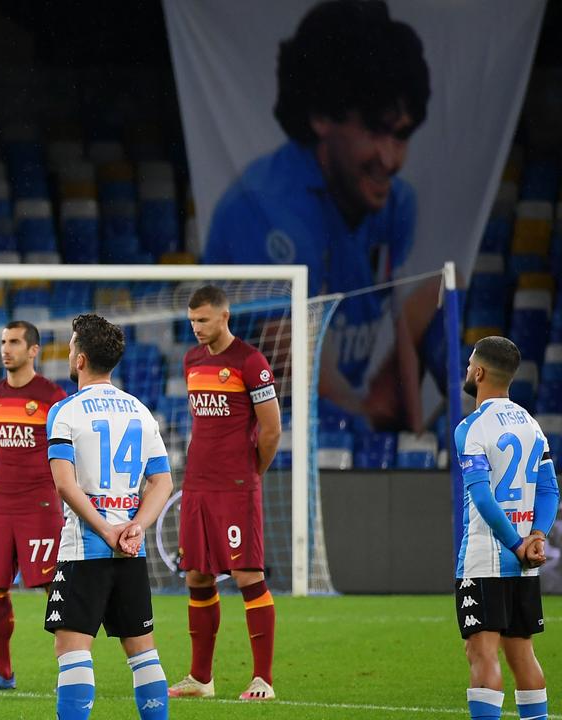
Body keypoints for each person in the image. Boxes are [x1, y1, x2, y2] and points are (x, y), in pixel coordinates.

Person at [204, 0, 440, 434]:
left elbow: (401, 345)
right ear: (320, 117)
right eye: (374, 129)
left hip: (338, 423)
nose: (390, 160)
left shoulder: (397, 206)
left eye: (402, 135)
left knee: (440, 293)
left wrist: (417, 437)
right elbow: (306, 383)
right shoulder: (261, 210)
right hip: (252, 432)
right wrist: (376, 425)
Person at [43, 313, 175, 720]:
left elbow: (65, 484)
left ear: (80, 359)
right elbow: (162, 482)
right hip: (130, 552)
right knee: (142, 651)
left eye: (69, 346)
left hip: (85, 549)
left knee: (72, 650)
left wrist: (106, 528)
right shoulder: (139, 410)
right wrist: (136, 526)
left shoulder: (65, 411)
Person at [168, 285, 282, 702]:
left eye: (204, 320)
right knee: (197, 575)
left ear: (224, 316)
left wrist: (250, 472)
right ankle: (201, 679)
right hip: (197, 484)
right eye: (192, 320)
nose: (197, 328)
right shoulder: (192, 360)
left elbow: (271, 429)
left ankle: (262, 680)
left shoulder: (251, 361)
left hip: (235, 486)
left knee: (247, 575)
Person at [454, 336, 556, 720]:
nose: (467, 371)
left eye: (469, 365)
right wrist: (536, 537)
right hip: (524, 563)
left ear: (479, 373)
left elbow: (482, 497)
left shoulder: (472, 428)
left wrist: (514, 543)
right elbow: (550, 489)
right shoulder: (532, 424)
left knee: (481, 654)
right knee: (522, 653)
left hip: (485, 558)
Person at [0, 320, 67, 691]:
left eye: (15, 342)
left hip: (38, 503)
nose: (6, 348)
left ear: (34, 350)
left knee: (53, 586)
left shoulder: (53, 397)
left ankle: (70, 671)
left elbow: (63, 455)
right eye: (3, 341)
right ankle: (3, 673)